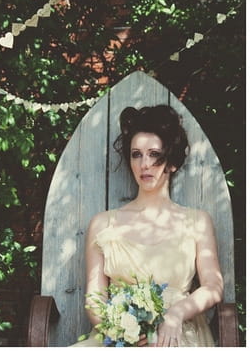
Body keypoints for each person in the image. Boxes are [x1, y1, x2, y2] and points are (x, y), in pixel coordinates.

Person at [73, 105, 223, 347]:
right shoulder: (103, 224)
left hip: (176, 335)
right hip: (119, 338)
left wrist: (176, 314)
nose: (144, 164)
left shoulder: (197, 221)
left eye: (154, 154)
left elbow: (214, 286)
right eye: (136, 154)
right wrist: (121, 329)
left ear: (171, 163)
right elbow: (95, 299)